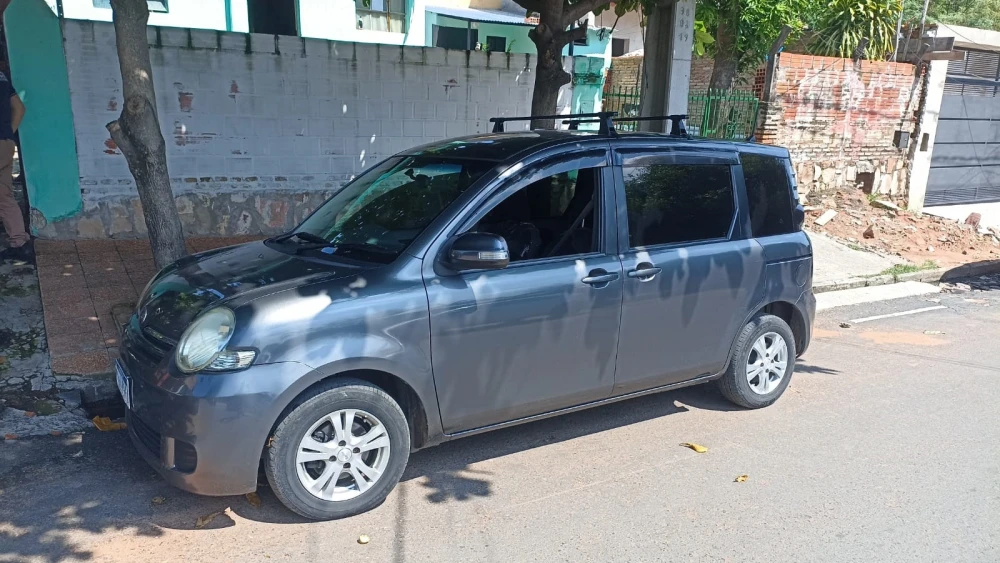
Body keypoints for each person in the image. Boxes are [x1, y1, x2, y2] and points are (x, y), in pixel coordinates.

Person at [0, 68, 31, 263]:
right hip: (5, 142)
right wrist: (7, 133)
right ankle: (20, 244)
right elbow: (20, 108)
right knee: (4, 195)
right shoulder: (2, 77)